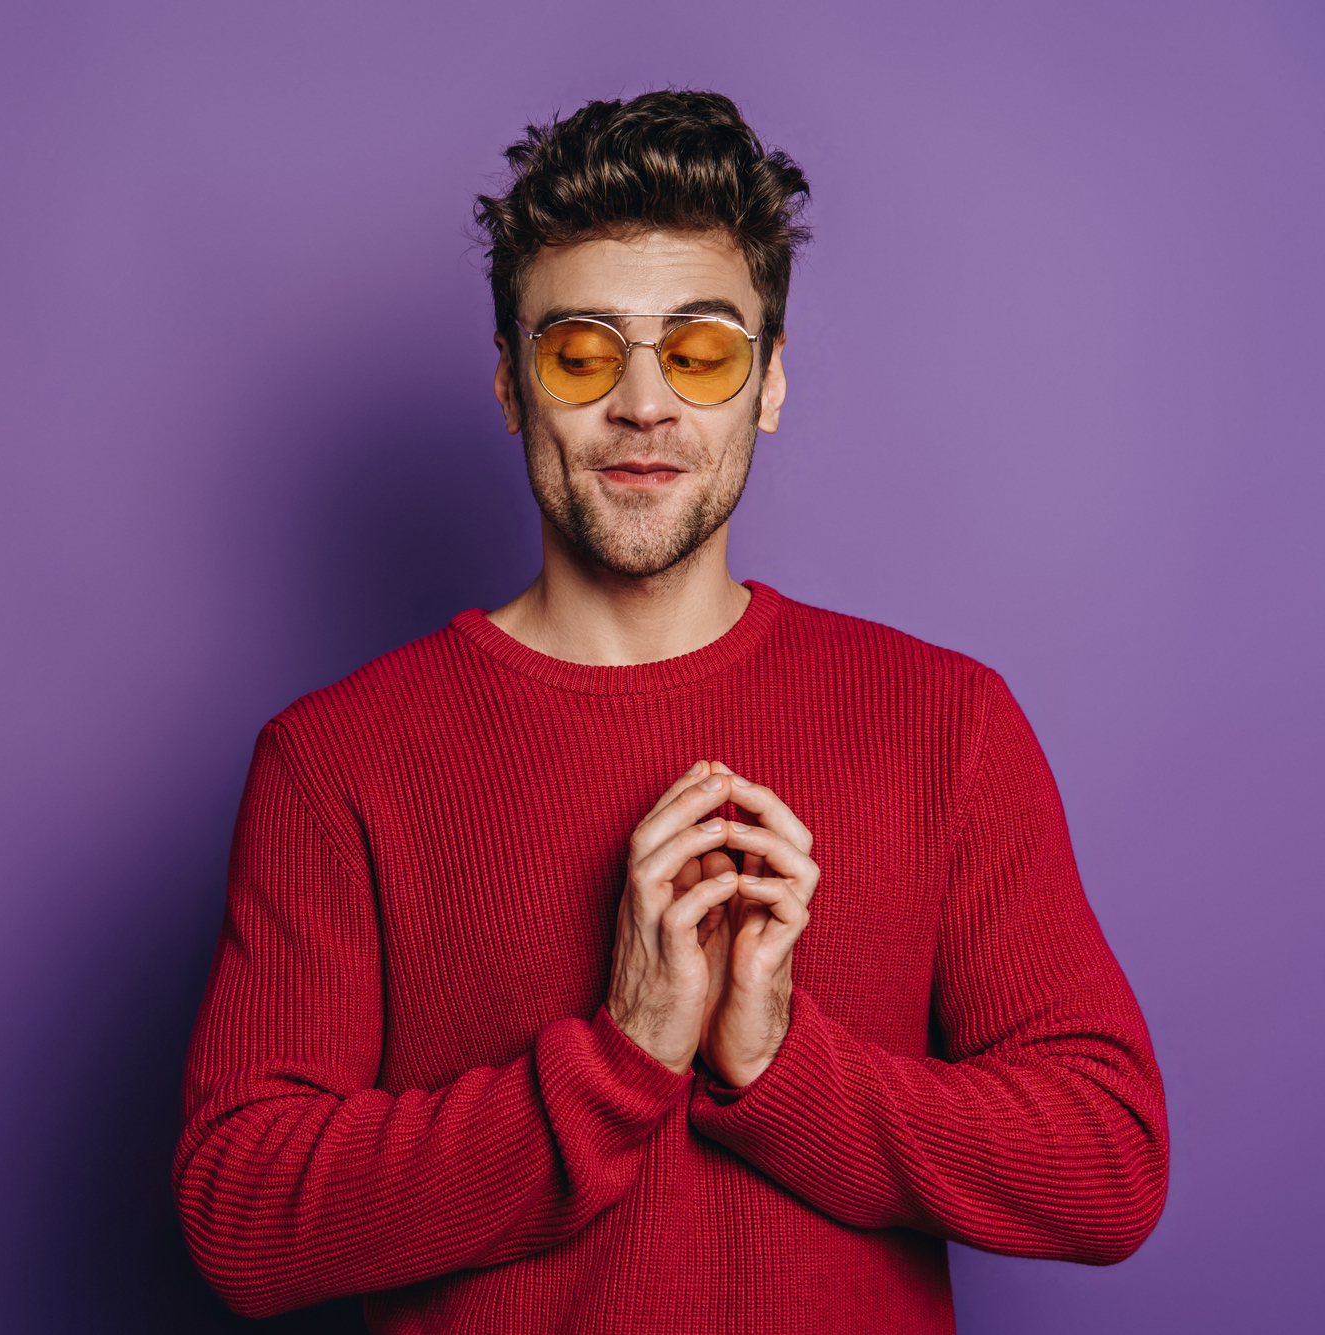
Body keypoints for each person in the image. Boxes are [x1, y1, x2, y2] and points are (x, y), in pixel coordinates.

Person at [172, 90, 1167, 1334]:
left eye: (698, 353)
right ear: (506, 385)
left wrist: (781, 1067)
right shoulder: (337, 761)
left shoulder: (940, 722)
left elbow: (1107, 1166)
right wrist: (616, 1063)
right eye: (581, 353)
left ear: (769, 385)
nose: (643, 406)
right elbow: (239, 1216)